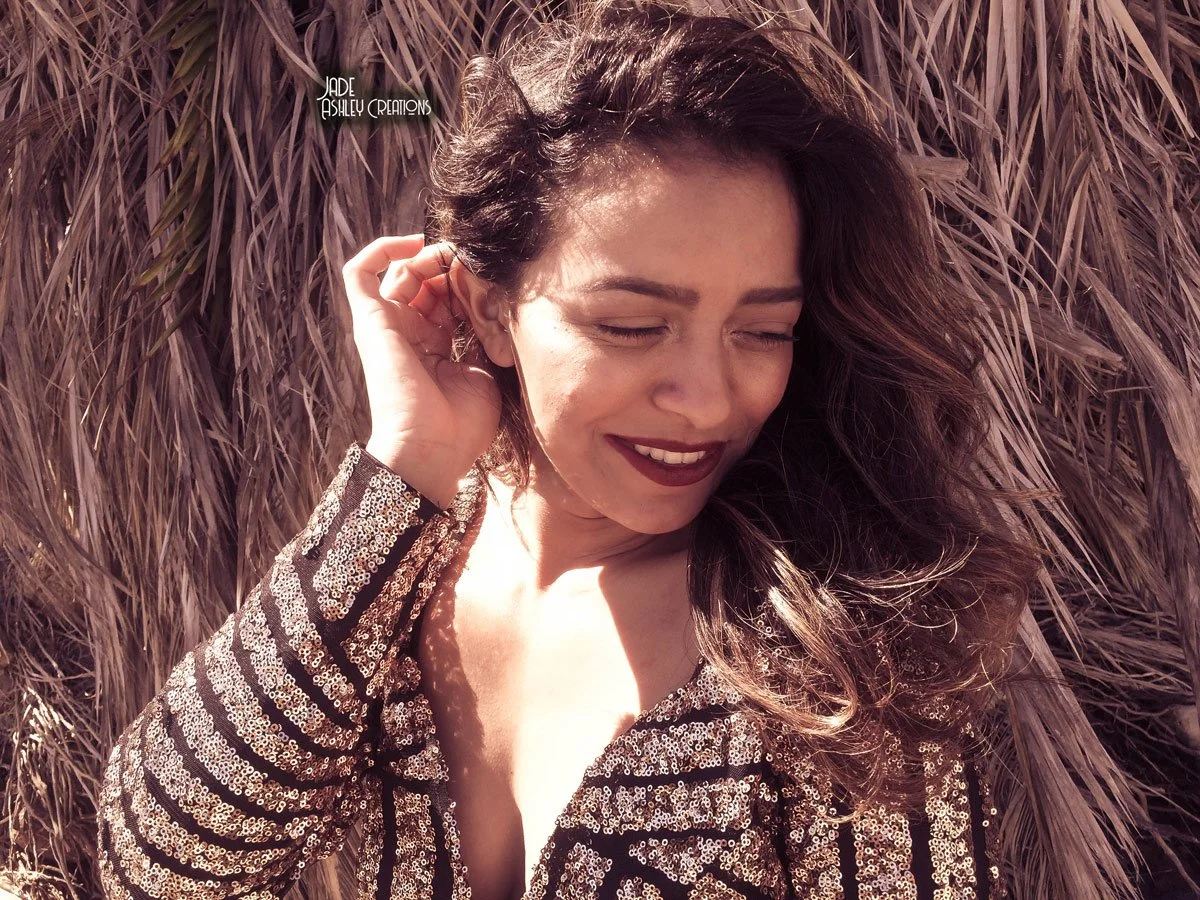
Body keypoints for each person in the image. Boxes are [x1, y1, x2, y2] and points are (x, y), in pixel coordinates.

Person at [95, 0, 1042, 897]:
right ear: (488, 309)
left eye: (763, 331)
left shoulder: (840, 655)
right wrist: (404, 471)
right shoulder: (390, 573)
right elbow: (161, 869)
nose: (706, 399)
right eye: (633, 325)